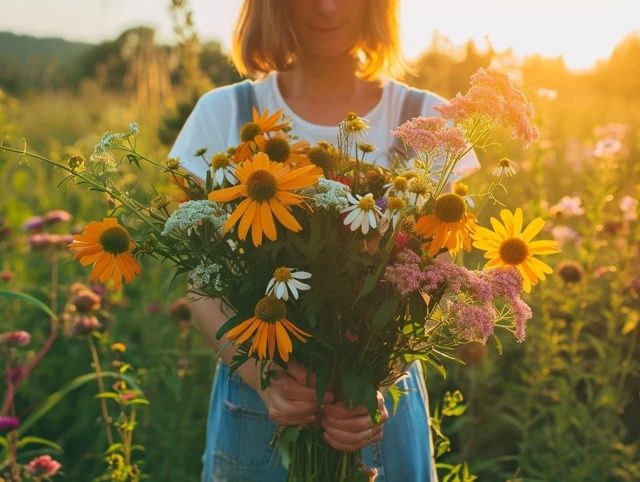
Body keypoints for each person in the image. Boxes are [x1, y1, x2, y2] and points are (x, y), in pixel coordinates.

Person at [168, 1, 479, 481]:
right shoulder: (225, 113)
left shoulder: (427, 118)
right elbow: (201, 285)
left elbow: (435, 280)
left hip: (377, 412)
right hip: (257, 404)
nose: (327, 6)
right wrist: (265, 379)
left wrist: (373, 382)